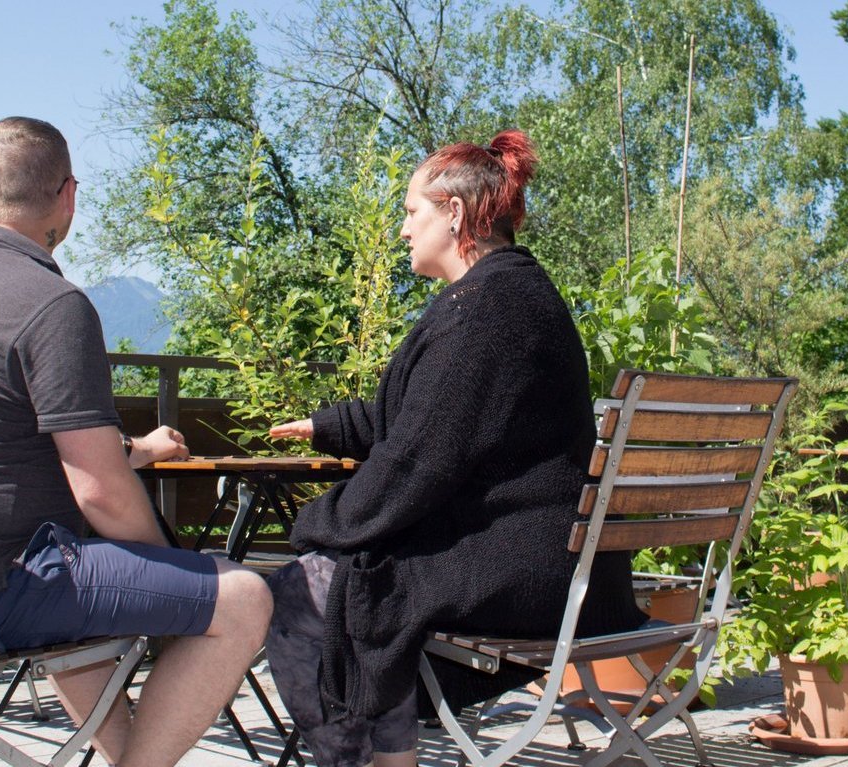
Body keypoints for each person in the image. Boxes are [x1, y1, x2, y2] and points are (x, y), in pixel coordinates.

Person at [0, 116, 272, 767]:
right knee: (245, 596)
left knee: (82, 564)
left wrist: (131, 455)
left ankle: (122, 755)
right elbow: (100, 493)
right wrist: (170, 570)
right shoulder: (52, 303)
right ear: (68, 196)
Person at [265, 129, 646, 767]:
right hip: (568, 567)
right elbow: (441, 419)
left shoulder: (485, 313)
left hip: (530, 573)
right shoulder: (511, 296)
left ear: (455, 213)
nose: (403, 229)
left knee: (308, 588)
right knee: (360, 584)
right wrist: (334, 427)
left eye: (412, 211)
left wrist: (314, 525)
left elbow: (417, 463)